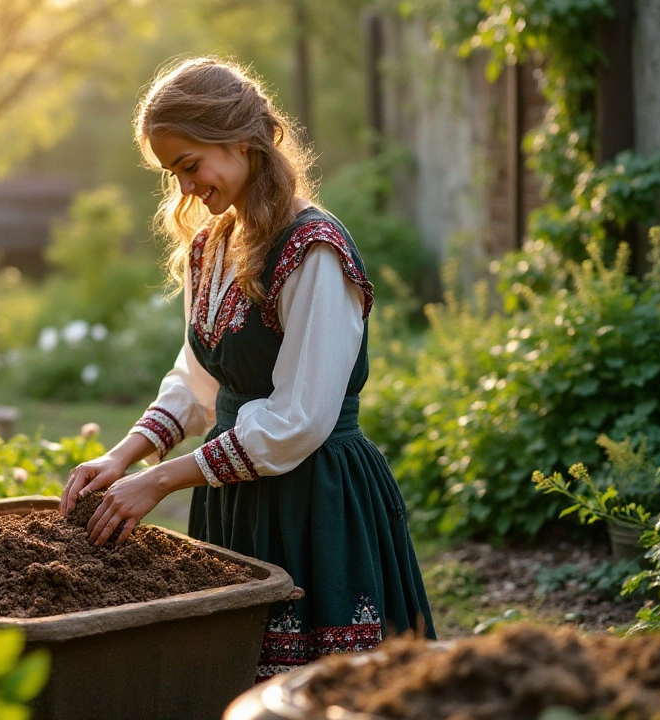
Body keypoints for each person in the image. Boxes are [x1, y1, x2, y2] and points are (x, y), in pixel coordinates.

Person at [58, 57, 435, 682]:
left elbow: (300, 418)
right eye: (172, 174)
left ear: (240, 142)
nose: (185, 190)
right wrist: (123, 457)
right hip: (235, 495)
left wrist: (161, 482)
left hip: (316, 498)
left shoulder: (315, 251)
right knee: (234, 679)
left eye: (189, 166)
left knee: (328, 689)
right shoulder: (211, 246)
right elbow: (199, 377)